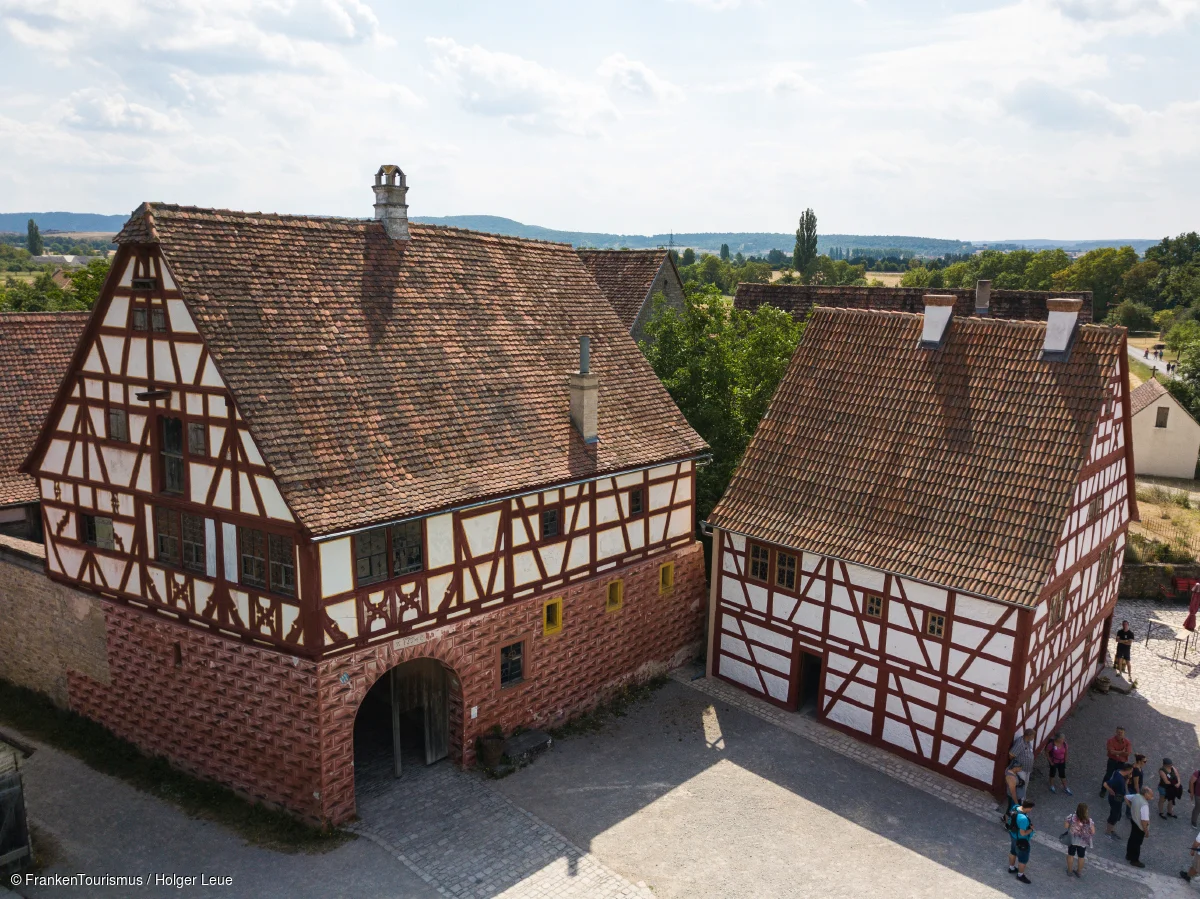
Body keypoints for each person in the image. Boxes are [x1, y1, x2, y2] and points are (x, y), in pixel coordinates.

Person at [1007, 798, 1035, 884]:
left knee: (1013, 851)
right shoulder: (1023, 819)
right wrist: (1031, 829)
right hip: (1021, 840)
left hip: (1013, 835)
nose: (1031, 810)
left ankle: (1011, 868)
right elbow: (1023, 833)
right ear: (1028, 808)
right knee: (1023, 858)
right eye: (1031, 808)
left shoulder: (1016, 807)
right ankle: (1020, 875)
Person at [1065, 803, 1095, 878]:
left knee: (1070, 854)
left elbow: (1066, 826)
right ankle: (1079, 872)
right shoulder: (1089, 821)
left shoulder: (1071, 817)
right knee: (1081, 856)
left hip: (1072, 840)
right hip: (1083, 842)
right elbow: (1093, 831)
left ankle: (1069, 871)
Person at [1101, 727, 1133, 797]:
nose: (1119, 734)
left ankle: (1116, 791)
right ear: (1116, 732)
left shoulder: (1127, 742)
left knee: (1119, 777)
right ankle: (1103, 790)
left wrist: (1117, 753)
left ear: (1124, 734)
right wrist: (1122, 752)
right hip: (1112, 761)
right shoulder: (1111, 740)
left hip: (1121, 763)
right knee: (1108, 776)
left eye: (1121, 733)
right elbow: (1111, 752)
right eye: (1118, 732)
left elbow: (1128, 753)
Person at [1127, 786, 1154, 867]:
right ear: (1145, 794)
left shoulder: (1136, 796)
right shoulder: (1144, 805)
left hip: (1134, 821)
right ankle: (1134, 860)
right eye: (1151, 795)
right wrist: (1146, 831)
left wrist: (1131, 808)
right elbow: (1144, 821)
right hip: (1139, 826)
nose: (1152, 796)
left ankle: (1128, 855)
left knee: (1132, 839)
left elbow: (1126, 797)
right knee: (1137, 843)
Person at [1106, 763, 1134, 838]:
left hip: (1117, 797)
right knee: (1114, 815)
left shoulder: (1118, 772)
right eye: (1131, 771)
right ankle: (1108, 832)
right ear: (1128, 770)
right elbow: (1106, 784)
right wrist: (1129, 805)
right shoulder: (1119, 780)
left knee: (1117, 814)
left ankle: (1111, 830)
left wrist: (1128, 778)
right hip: (1116, 798)